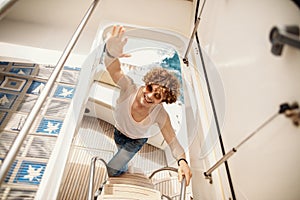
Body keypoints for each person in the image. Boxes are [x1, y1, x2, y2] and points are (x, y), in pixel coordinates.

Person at [104, 25, 192, 186]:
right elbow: (114, 70)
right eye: (150, 88)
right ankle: (123, 163)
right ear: (146, 84)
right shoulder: (128, 88)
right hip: (118, 132)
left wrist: (182, 162)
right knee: (120, 157)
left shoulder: (160, 114)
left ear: (163, 100)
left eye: (157, 95)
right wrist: (110, 53)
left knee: (112, 170)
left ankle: (122, 164)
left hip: (136, 141)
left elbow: (173, 143)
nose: (150, 95)